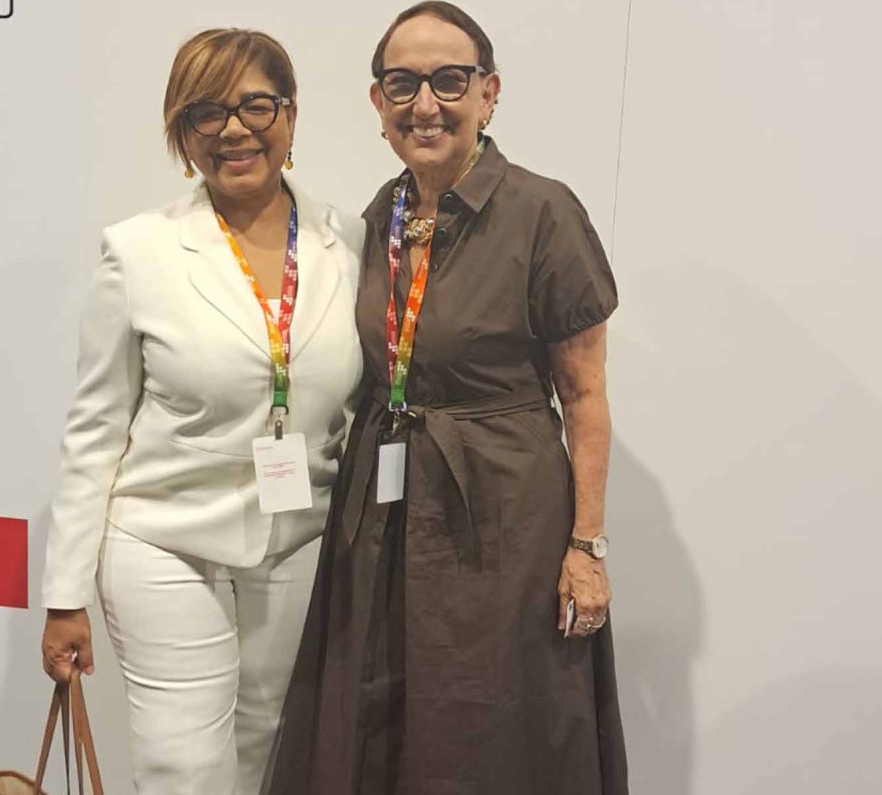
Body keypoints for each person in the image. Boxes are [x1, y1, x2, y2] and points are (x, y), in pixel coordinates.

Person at [267, 3, 627, 792]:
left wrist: (587, 548)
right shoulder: (382, 213)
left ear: (488, 93)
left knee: (491, 720)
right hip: (383, 515)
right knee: (384, 713)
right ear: (378, 103)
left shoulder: (543, 212)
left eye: (449, 81)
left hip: (504, 519)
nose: (425, 104)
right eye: (403, 84)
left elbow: (585, 395)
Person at [39, 28, 363, 795]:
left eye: (256, 105)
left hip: (298, 538)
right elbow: (95, 430)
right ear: (183, 135)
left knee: (264, 752)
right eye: (206, 112)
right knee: (183, 769)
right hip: (164, 541)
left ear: (290, 115)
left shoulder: (347, 241)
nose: (234, 129)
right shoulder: (139, 252)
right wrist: (63, 593)